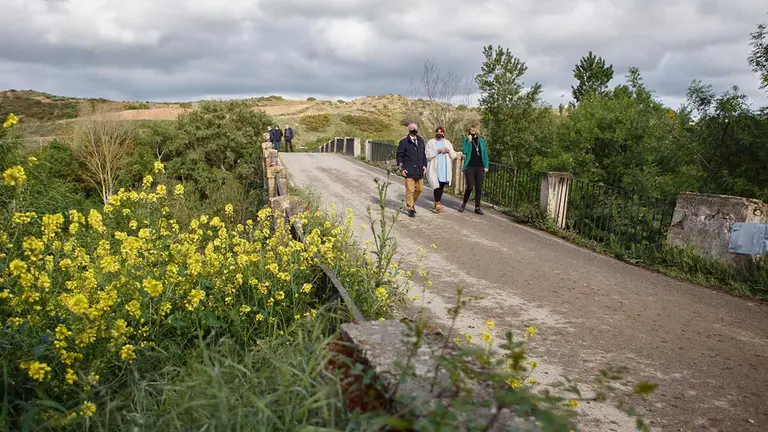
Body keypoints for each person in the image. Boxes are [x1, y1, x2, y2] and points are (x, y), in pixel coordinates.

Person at [396, 123, 427, 218]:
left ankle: (411, 202)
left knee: (419, 189)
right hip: (408, 170)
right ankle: (410, 208)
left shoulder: (421, 140)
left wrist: (425, 165)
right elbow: (399, 156)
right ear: (409, 130)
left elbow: (423, 155)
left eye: (415, 128)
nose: (413, 129)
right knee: (410, 190)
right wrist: (401, 168)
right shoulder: (404, 142)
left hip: (419, 170)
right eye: (411, 128)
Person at [425, 126, 457, 213]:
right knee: (436, 185)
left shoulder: (447, 143)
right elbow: (427, 155)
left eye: (441, 132)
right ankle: (438, 203)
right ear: (436, 133)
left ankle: (437, 202)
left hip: (445, 168)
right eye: (438, 132)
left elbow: (454, 156)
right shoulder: (431, 142)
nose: (439, 133)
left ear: (443, 133)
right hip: (435, 167)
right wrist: (437, 151)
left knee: (441, 186)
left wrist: (449, 151)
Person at [459, 125, 489, 215]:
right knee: (470, 186)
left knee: (479, 187)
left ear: (477, 131)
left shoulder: (481, 141)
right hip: (470, 167)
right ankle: (464, 203)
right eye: (471, 130)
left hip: (480, 167)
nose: (472, 131)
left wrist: (486, 165)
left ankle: (477, 207)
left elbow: (485, 154)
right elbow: (465, 151)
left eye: (474, 129)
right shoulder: (466, 140)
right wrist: (469, 141)